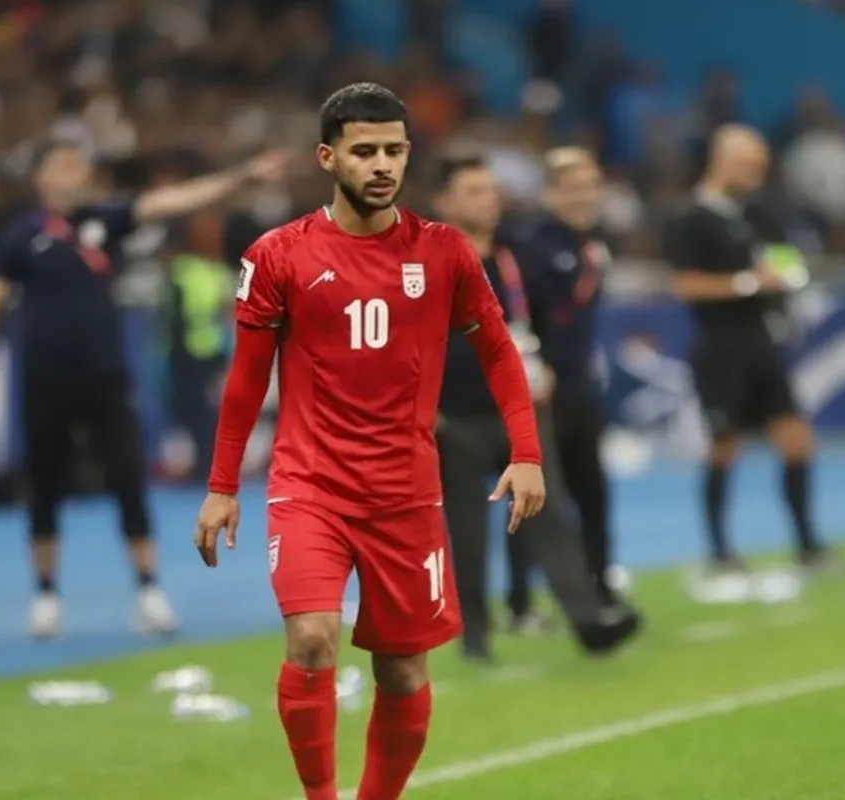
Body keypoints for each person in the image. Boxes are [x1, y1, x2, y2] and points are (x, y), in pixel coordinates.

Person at [194, 83, 547, 800]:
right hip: (310, 487)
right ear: (328, 157)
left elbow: (498, 351)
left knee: (404, 671)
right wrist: (222, 486)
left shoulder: (445, 252)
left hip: (406, 496)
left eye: (393, 150)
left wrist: (527, 453)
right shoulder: (279, 255)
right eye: (364, 151)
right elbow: (246, 381)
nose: (381, 165)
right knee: (312, 639)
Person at [0, 141, 290, 638]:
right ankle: (46, 596)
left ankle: (148, 591)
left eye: (79, 165)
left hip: (105, 377)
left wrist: (242, 176)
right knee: (45, 488)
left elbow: (174, 201)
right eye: (63, 165)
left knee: (128, 482)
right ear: (42, 179)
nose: (75, 173)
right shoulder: (22, 236)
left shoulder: (105, 220)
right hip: (44, 379)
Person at [433, 153, 641, 663]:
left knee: (549, 516)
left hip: (517, 410)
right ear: (445, 202)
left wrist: (544, 362)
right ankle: (476, 636)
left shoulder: (517, 255)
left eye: (490, 190)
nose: (488, 201)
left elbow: (546, 320)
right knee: (468, 529)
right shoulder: (426, 262)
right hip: (455, 416)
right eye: (473, 192)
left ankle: (589, 621)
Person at [664, 125, 830, 570]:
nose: (757, 173)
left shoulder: (759, 213)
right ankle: (720, 551)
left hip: (764, 344)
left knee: (797, 441)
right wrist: (749, 283)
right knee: (724, 448)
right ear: (723, 160)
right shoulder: (690, 218)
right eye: (750, 164)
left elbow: (785, 261)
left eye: (761, 165)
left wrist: (788, 276)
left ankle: (808, 545)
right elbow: (685, 284)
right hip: (721, 349)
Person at [508, 147, 619, 604]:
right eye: (573, 188)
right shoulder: (531, 247)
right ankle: (521, 600)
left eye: (590, 186)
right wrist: (533, 367)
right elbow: (516, 315)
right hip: (541, 390)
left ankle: (601, 586)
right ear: (551, 192)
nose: (584, 196)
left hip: (580, 387)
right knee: (533, 497)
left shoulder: (592, 244)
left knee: (593, 492)